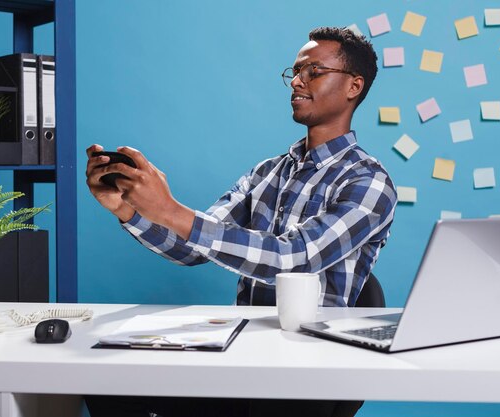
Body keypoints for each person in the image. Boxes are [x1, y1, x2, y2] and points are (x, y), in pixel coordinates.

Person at [85, 26, 397, 417]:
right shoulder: (266, 173)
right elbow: (193, 248)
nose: (297, 81)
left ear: (353, 86)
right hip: (244, 352)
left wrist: (168, 209)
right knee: (105, 384)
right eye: (295, 71)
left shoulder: (368, 182)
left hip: (309, 369)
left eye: (313, 71)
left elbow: (293, 259)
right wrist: (129, 209)